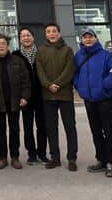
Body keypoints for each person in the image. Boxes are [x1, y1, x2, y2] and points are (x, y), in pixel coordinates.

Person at [73, 27, 112, 178]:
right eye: (85, 37)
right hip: (89, 100)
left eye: (90, 36)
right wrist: (79, 87)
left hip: (104, 99)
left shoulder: (106, 55)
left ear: (95, 38)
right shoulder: (78, 56)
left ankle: (110, 162)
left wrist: (104, 85)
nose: (87, 39)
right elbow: (75, 74)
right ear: (81, 40)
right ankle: (101, 159)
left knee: (108, 131)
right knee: (96, 131)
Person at [0, 34, 30, 170]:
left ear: (7, 46)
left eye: (3, 43)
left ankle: (15, 157)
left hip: (14, 102)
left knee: (14, 131)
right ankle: (2, 158)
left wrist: (24, 97)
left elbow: (26, 81)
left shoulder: (17, 61)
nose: (1, 46)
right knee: (0, 131)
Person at [36, 22, 78, 171]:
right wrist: (48, 85)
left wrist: (58, 84)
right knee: (51, 128)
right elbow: (39, 70)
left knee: (70, 127)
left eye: (54, 31)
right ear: (45, 34)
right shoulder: (41, 51)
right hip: (48, 96)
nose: (51, 34)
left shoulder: (68, 50)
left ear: (59, 33)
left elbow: (69, 69)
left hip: (65, 95)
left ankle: (72, 158)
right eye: (48, 31)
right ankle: (55, 157)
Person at [13, 27, 49, 165]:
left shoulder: (41, 53)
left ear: (33, 37)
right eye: (23, 36)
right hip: (25, 97)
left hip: (41, 95)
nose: (26, 38)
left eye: (28, 35)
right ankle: (31, 154)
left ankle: (42, 153)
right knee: (27, 126)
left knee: (42, 126)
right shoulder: (15, 55)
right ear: (20, 39)